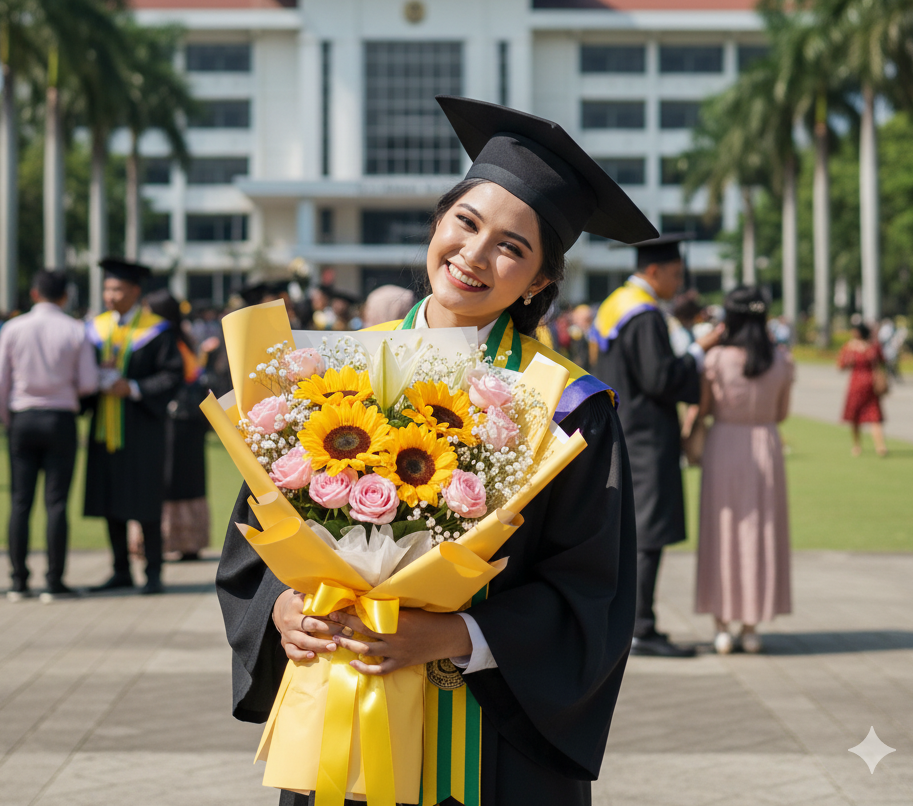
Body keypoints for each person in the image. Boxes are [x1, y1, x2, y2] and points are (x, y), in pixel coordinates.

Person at [216, 96, 658, 806]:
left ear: (541, 280)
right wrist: (281, 612)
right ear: (437, 222)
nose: (475, 257)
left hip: (493, 750)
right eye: (466, 223)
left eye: (512, 247)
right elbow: (258, 537)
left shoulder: (568, 408)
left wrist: (456, 634)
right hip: (341, 720)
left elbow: (593, 593)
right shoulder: (325, 371)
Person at [589, 235, 724, 657]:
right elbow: (661, 379)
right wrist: (698, 355)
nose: (679, 284)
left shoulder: (615, 306)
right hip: (647, 437)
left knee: (632, 530)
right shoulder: (644, 315)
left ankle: (631, 623)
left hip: (622, 428)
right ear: (654, 271)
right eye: (675, 274)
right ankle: (639, 626)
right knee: (647, 533)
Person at [688, 286, 794, 654]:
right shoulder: (781, 360)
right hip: (765, 446)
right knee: (760, 533)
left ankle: (722, 626)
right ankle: (751, 626)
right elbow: (781, 414)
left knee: (723, 532)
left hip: (724, 446)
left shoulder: (716, 359)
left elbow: (702, 408)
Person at [0, 269, 99, 600]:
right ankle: (54, 580)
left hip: (23, 416)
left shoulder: (12, 328)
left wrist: (6, 417)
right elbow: (89, 383)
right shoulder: (75, 329)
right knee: (56, 503)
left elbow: (0, 380)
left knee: (20, 501)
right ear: (65, 297)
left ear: (34, 293)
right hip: (59, 417)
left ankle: (18, 580)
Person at [84, 259, 184, 594]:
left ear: (135, 292)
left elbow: (172, 375)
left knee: (145, 501)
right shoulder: (94, 329)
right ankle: (120, 570)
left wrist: (134, 388)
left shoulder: (156, 330)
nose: (110, 295)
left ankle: (153, 572)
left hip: (142, 428)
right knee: (109, 499)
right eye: (107, 288)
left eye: (117, 289)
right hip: (103, 430)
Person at [145, 290, 213, 561]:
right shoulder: (185, 338)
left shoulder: (168, 340)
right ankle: (187, 540)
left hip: (174, 420)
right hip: (189, 421)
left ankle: (169, 539)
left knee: (169, 478)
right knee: (187, 479)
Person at [838, 321, 887, 457]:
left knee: (874, 415)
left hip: (871, 385)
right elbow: (841, 365)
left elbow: (883, 361)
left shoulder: (873, 346)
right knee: (854, 416)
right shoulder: (850, 347)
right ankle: (857, 444)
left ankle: (880, 445)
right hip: (855, 384)